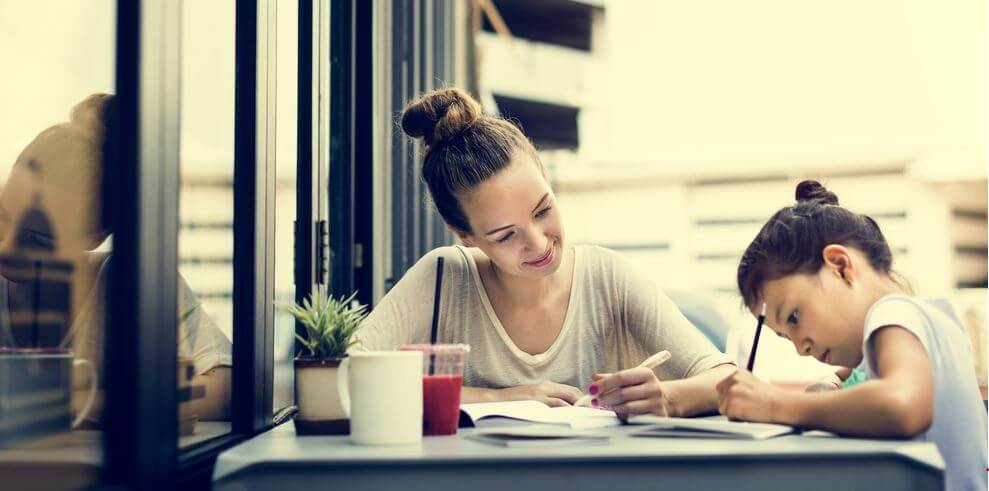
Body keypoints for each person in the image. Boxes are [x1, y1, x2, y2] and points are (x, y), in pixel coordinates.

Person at [357, 88, 734, 416]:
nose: (539, 244)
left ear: (546, 176)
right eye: (505, 236)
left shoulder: (607, 278)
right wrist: (501, 398)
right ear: (465, 235)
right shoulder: (443, 277)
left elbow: (728, 379)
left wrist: (666, 397)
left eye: (543, 210)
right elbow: (345, 379)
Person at [717, 180, 987, 491]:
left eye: (794, 317)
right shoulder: (925, 317)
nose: (801, 349)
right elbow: (852, 376)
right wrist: (831, 385)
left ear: (841, 267)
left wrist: (776, 405)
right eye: (784, 337)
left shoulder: (893, 315)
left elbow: (903, 406)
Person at [0, 93, 232, 422]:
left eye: (37, 239)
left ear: (93, 238)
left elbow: (226, 387)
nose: (6, 248)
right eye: (1, 216)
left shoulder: (125, 281)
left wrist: (76, 405)